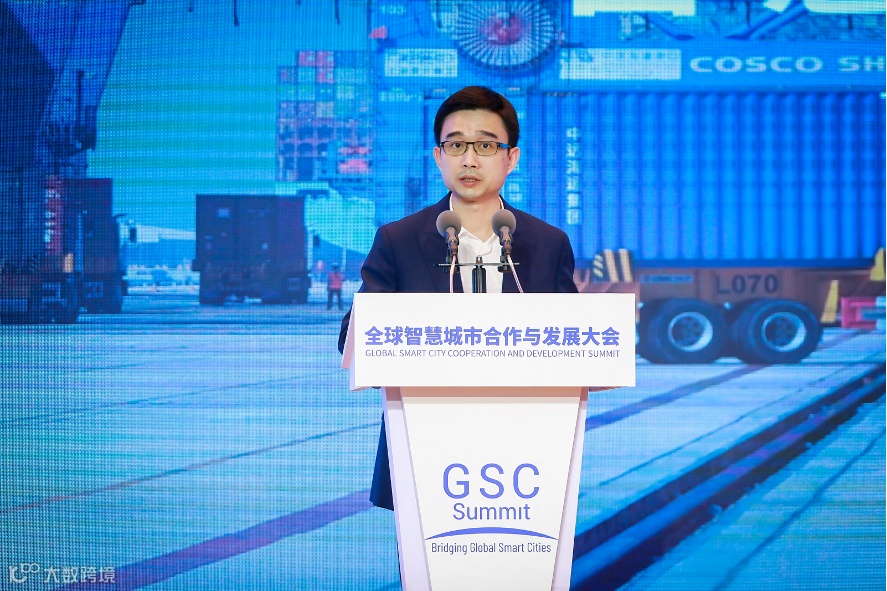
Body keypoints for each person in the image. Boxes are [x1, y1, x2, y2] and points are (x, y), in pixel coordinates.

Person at [339, 86, 577, 510]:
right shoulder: (398, 239)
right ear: (439, 157)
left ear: (511, 158)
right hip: (423, 448)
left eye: (486, 145)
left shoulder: (548, 243)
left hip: (525, 456)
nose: (469, 160)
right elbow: (354, 340)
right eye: (456, 145)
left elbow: (574, 346)